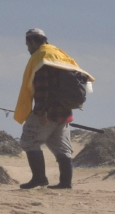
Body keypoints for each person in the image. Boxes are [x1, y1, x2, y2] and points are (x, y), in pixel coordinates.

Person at [13, 28, 92, 189]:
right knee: (62, 149)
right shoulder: (60, 54)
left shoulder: (41, 57)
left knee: (29, 142)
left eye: (28, 45)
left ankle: (39, 178)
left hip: (47, 112)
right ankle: (65, 183)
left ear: (33, 42)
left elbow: (42, 89)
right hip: (65, 113)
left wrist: (41, 113)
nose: (28, 49)